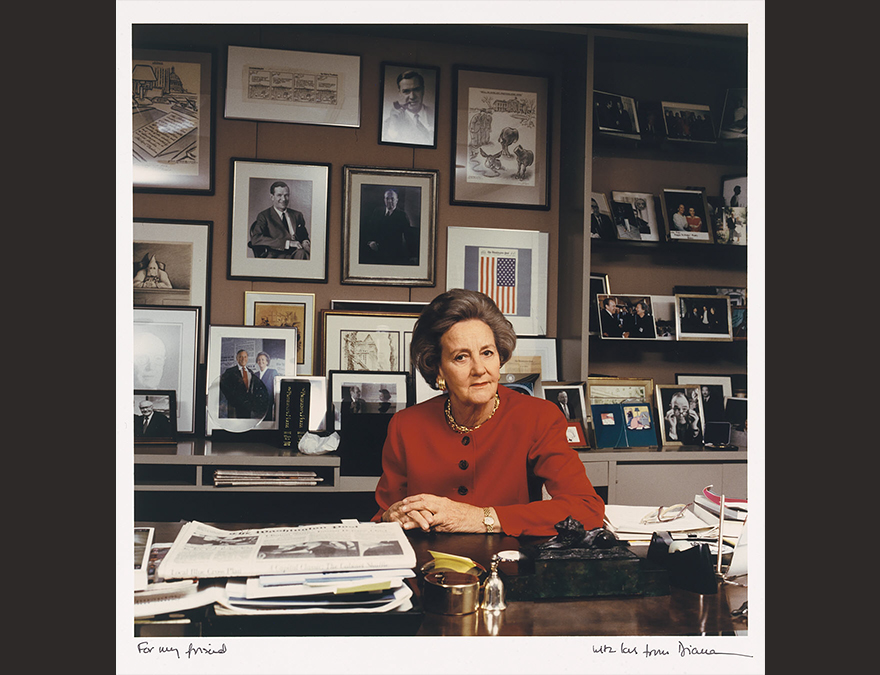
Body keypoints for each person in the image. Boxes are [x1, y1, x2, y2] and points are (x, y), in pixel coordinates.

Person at [373, 288, 604, 537]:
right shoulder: (406, 425)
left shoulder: (538, 417)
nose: (479, 369)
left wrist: (481, 518)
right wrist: (390, 517)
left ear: (500, 357)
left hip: (508, 567)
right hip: (429, 567)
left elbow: (587, 509)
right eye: (461, 357)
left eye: (487, 353)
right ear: (438, 369)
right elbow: (383, 518)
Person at [248, 181, 311, 259]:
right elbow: (256, 239)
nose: (283, 199)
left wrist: (305, 241)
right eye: (279, 195)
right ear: (272, 197)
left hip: (298, 252)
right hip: (277, 255)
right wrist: (287, 243)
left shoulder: (297, 215)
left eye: (286, 195)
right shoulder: (264, 216)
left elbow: (303, 235)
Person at [359, 188, 416, 265]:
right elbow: (369, 229)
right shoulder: (377, 211)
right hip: (375, 251)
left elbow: (409, 236)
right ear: (384, 199)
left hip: (393, 254)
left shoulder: (402, 216)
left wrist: (413, 255)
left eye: (392, 199)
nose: (389, 201)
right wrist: (370, 241)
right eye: (387, 198)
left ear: (397, 200)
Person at [382, 70, 434, 145]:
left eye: (416, 90)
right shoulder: (390, 123)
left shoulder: (436, 115)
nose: (412, 97)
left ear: (423, 90)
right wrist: (393, 127)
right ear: (399, 93)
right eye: (406, 91)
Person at [219, 349, 269, 418]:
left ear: (247, 358)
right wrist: (232, 399)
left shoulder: (250, 372)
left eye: (245, 357)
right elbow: (223, 385)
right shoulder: (230, 371)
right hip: (234, 407)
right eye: (240, 357)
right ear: (237, 358)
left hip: (248, 407)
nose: (243, 359)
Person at [255, 351, 278, 421]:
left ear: (267, 362)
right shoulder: (255, 374)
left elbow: (276, 389)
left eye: (263, 359)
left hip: (268, 405)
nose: (260, 361)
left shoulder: (272, 372)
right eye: (259, 360)